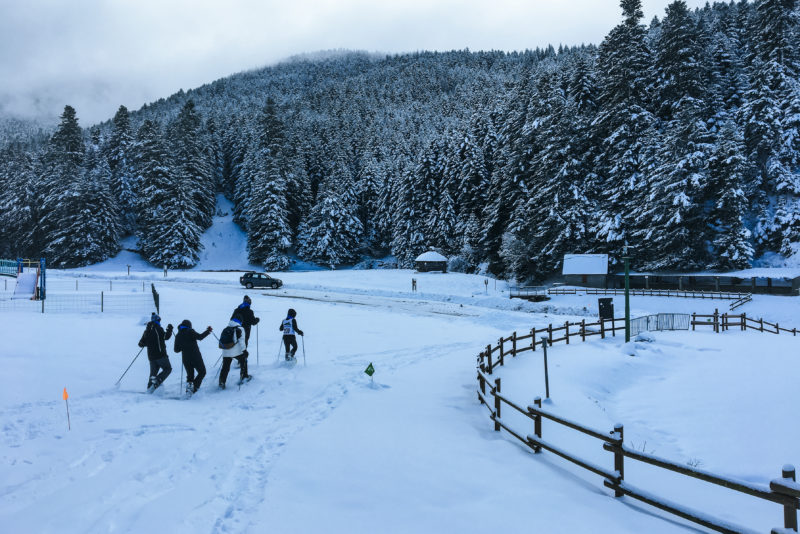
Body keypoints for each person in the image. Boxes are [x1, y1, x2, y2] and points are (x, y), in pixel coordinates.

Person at [173, 320, 212, 395]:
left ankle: (189, 390)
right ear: (189, 325)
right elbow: (200, 337)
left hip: (186, 358)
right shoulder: (190, 331)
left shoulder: (178, 335)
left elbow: (176, 350)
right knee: (202, 372)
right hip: (195, 356)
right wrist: (208, 331)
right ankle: (194, 387)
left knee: (190, 375)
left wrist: (183, 346)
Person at [138, 312, 173, 392]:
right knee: (168, 369)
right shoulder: (159, 329)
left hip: (151, 357)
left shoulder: (147, 331)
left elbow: (141, 344)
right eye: (159, 320)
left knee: (152, 374)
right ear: (157, 320)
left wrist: (149, 342)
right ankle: (157, 380)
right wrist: (170, 329)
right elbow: (166, 337)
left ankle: (149, 390)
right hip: (161, 356)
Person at [219, 316, 250, 389]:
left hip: (225, 351)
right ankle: (244, 377)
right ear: (240, 321)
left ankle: (222, 382)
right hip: (236, 351)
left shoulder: (226, 328)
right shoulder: (240, 328)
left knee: (225, 367)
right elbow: (242, 341)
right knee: (243, 361)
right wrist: (245, 351)